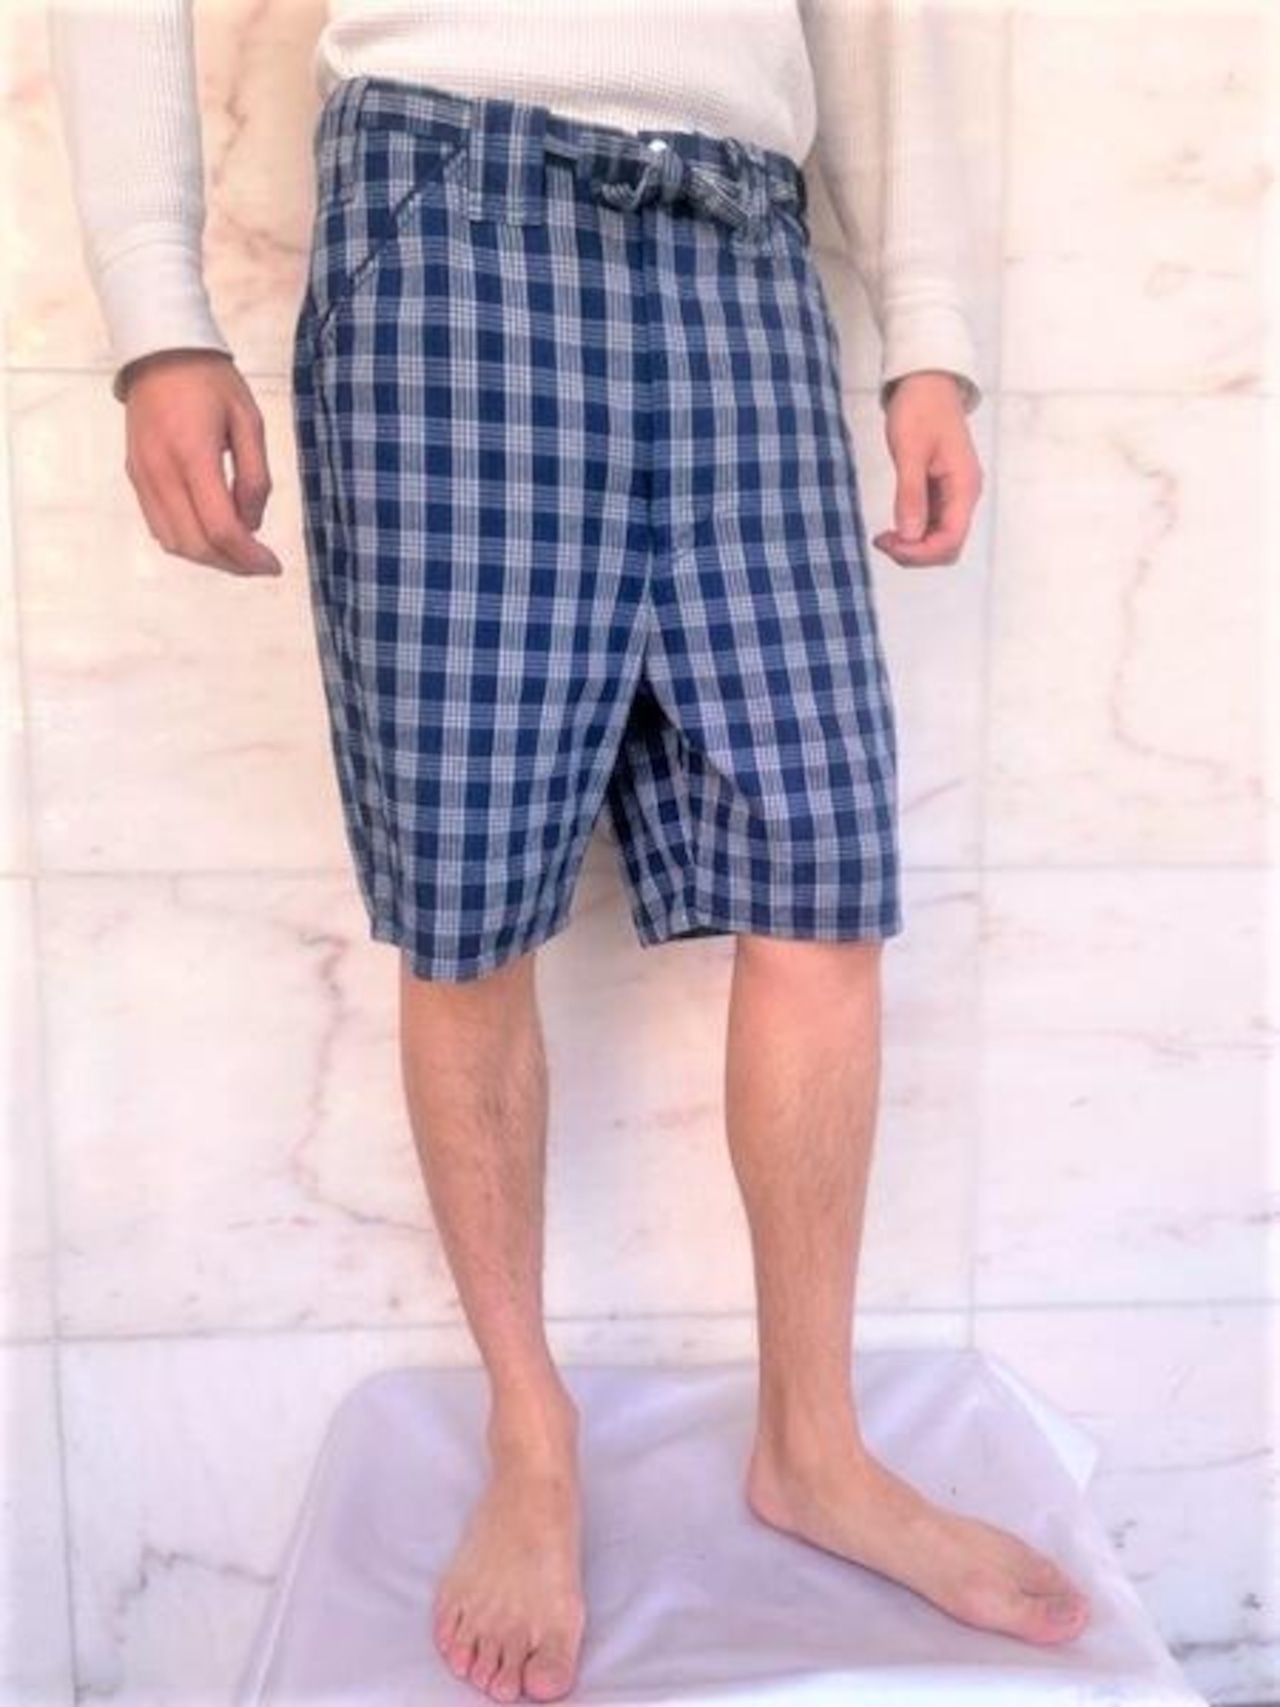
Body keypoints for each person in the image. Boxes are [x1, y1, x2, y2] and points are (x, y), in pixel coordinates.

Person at [47, 2, 1092, 1701]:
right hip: (448, 213)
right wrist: (160, 315)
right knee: (471, 898)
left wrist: (930, 337)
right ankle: (530, 1433)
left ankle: (815, 1443)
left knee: (822, 870)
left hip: (745, 243)